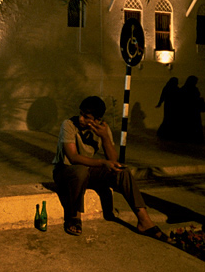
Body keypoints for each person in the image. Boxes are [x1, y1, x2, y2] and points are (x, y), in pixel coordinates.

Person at [52, 96, 172, 242]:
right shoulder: (69, 124)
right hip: (65, 172)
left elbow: (113, 160)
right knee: (80, 170)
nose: (82, 119)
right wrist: (103, 162)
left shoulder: (103, 128)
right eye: (81, 114)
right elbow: (73, 157)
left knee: (122, 171)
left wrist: (104, 137)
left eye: (87, 117)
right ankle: (74, 215)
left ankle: (144, 220)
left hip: (87, 172)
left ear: (97, 119)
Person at [179, 75, 205, 143]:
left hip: (187, 111)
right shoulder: (194, 89)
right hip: (193, 110)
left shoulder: (184, 88)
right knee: (195, 125)